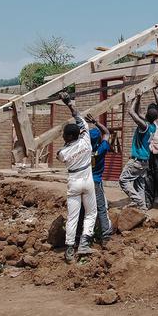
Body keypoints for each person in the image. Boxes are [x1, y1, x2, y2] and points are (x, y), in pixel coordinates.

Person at [56, 92, 98, 263]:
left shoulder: (62, 153)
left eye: (64, 135)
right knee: (91, 212)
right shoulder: (85, 141)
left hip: (73, 183)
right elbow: (80, 119)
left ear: (68, 137)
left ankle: (70, 249)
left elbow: (62, 151)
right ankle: (85, 243)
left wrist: (67, 142)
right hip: (88, 181)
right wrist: (69, 103)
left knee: (73, 216)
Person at [119, 88, 158, 211]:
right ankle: (143, 207)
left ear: (146, 116)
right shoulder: (152, 126)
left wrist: (136, 97)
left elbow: (131, 112)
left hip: (137, 161)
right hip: (144, 161)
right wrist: (139, 97)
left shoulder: (144, 125)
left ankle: (138, 201)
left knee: (123, 180)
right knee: (140, 183)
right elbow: (138, 112)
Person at [85, 113, 113, 244]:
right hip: (96, 182)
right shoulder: (102, 148)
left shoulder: (82, 151)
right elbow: (107, 133)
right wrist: (95, 122)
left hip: (83, 182)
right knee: (102, 208)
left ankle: (83, 237)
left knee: (84, 210)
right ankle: (105, 236)